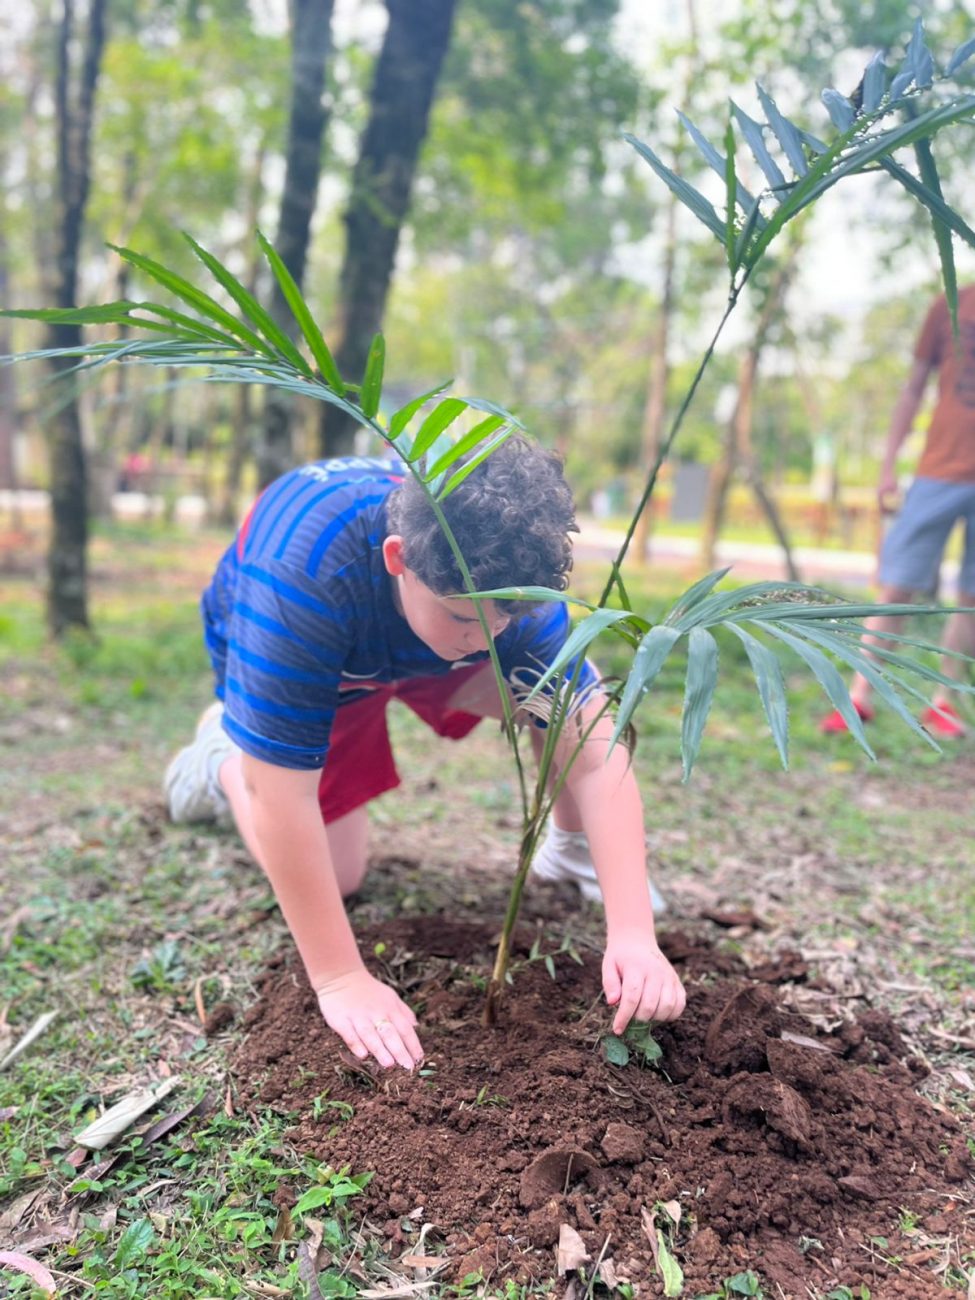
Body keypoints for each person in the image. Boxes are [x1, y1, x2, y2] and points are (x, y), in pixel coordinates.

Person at [164, 436, 684, 1070]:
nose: (490, 637)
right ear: (398, 558)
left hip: (422, 642)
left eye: (506, 619)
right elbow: (284, 799)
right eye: (470, 620)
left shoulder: (502, 589)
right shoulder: (299, 582)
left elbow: (598, 752)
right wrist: (339, 979)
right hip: (327, 659)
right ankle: (225, 755)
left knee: (557, 693)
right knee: (339, 873)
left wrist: (633, 934)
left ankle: (570, 852)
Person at [820, 284, 975, 739]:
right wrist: (887, 465)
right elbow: (913, 389)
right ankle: (858, 695)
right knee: (897, 585)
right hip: (938, 470)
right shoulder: (950, 301)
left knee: (972, 597)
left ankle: (945, 700)